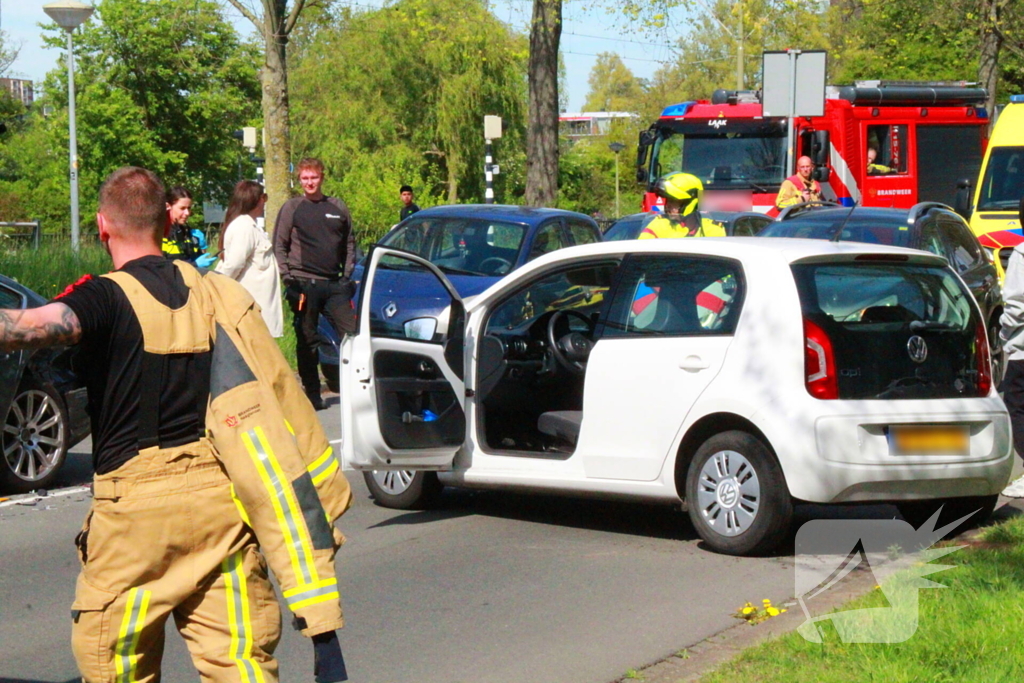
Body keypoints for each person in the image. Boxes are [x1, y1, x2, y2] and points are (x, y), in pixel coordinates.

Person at [0, 167, 351, 682]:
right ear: (167, 220)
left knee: (116, 664)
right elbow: (283, 402)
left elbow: (29, 327)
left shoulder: (102, 297)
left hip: (134, 521)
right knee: (240, 666)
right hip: (221, 507)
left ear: (103, 226)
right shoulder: (217, 295)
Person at [274, 158, 357, 410]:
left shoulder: (337, 206)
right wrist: (289, 278)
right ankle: (312, 394)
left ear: (322, 177)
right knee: (307, 339)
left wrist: (347, 276)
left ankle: (355, 390)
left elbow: (350, 243)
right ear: (299, 180)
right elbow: (279, 245)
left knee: (351, 336)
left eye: (314, 177)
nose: (310, 182)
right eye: (305, 178)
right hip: (304, 284)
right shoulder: (292, 207)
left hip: (334, 285)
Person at [216, 180, 284, 337]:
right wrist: (218, 291)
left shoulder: (250, 226)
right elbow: (233, 265)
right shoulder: (243, 227)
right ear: (257, 199)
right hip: (248, 312)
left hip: (256, 312)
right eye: (264, 197)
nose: (265, 202)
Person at [999, 195, 1024, 497]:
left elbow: (1016, 305)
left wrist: (1004, 335)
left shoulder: (1020, 254)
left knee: (1018, 408)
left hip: (1023, 348)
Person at [639, 172, 726, 239]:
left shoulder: (713, 231)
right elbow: (640, 254)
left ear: (690, 202)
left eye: (674, 201)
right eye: (668, 200)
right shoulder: (658, 226)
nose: (668, 206)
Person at [163, 186, 216, 267]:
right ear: (168, 206)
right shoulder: (158, 234)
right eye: (182, 208)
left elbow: (193, 259)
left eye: (189, 208)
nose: (187, 213)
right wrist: (195, 265)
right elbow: (162, 269)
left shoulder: (188, 233)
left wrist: (201, 249)